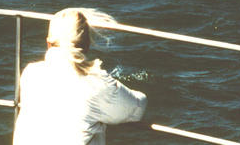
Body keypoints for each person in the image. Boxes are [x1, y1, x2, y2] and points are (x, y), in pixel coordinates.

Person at [13, 8, 147, 145]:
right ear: (87, 44)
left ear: (48, 43)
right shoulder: (96, 83)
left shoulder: (30, 73)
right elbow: (137, 109)